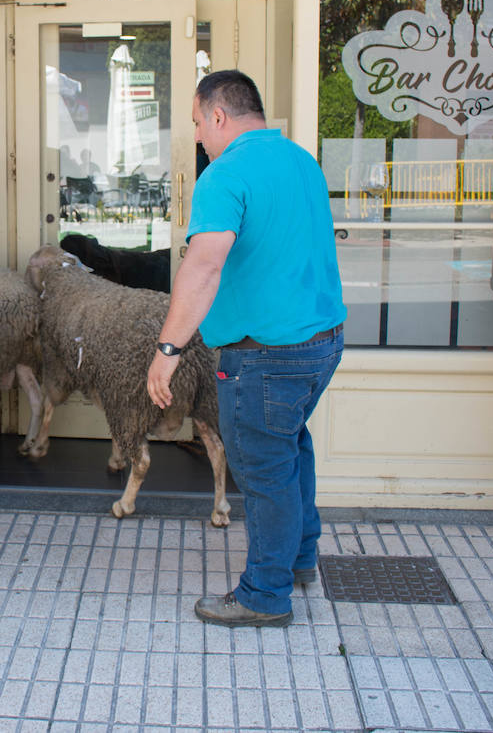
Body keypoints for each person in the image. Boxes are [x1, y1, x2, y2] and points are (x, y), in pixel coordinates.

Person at [147, 70, 346, 627]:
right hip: (322, 344)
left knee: (263, 473)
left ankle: (264, 594)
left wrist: (168, 348)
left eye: (197, 124)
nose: (198, 138)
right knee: (290, 450)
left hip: (266, 356)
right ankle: (299, 558)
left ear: (218, 115)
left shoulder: (225, 173)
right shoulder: (301, 161)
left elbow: (203, 266)